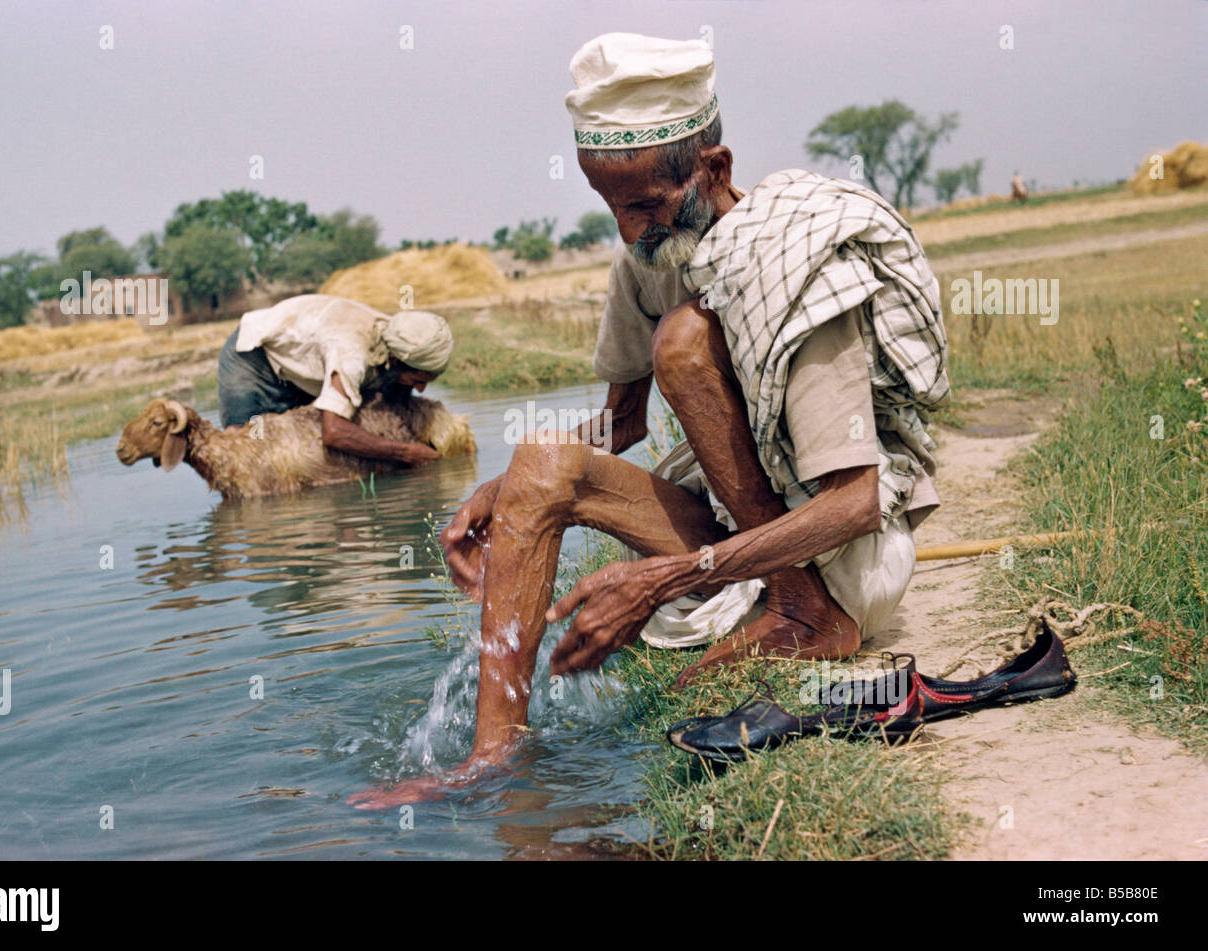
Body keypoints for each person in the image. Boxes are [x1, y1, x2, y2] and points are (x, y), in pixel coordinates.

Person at [350, 33, 949, 808]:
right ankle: (492, 760)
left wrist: (668, 576)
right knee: (542, 458)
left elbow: (855, 501)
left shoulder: (799, 269)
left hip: (843, 555)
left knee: (687, 342)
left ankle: (803, 614)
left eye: (645, 206)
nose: (631, 233)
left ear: (716, 169)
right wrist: (504, 490)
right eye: (611, 208)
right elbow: (620, 427)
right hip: (739, 541)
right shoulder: (651, 261)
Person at [217, 294, 452, 467]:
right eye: (417, 380)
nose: (421, 390)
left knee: (303, 450)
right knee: (246, 451)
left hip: (305, 366)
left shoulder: (404, 336)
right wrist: (407, 453)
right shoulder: (352, 354)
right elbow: (333, 432)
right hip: (255, 358)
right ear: (395, 359)